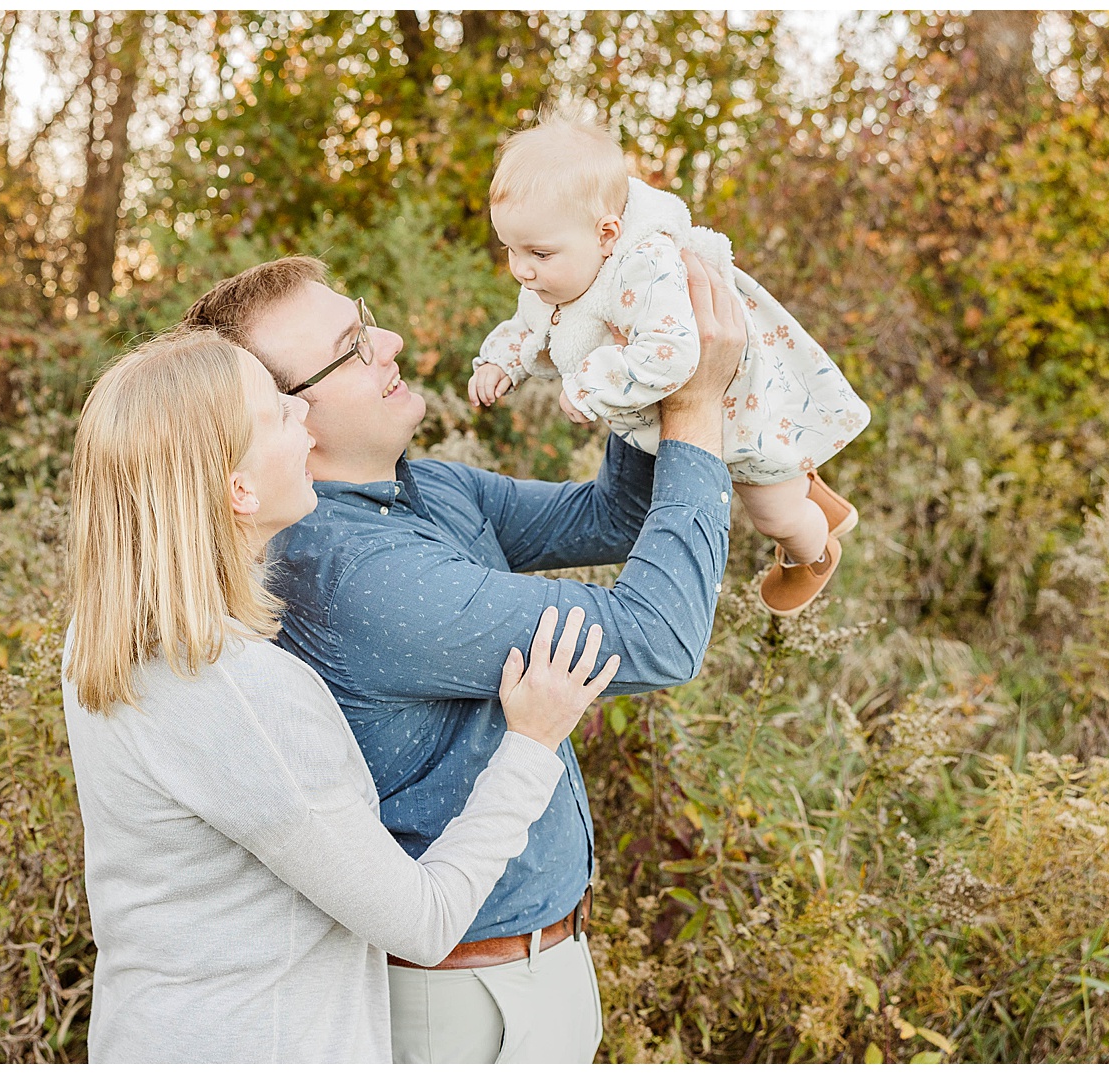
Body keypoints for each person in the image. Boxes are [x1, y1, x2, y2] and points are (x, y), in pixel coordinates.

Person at [180, 247, 746, 1062]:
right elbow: (658, 637)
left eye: (367, 321)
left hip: (535, 967)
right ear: (283, 416)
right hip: (463, 1005)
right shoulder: (357, 575)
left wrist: (636, 356)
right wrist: (696, 408)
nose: (393, 343)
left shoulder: (421, 488)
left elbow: (613, 516)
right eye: (351, 345)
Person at [60, 328, 622, 1062]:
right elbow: (424, 920)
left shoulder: (106, 635)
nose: (306, 419)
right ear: (239, 488)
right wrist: (531, 743)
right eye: (279, 413)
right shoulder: (248, 694)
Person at [468, 112, 871, 617]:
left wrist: (592, 383)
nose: (522, 269)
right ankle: (803, 485)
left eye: (538, 253)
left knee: (773, 511)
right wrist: (504, 361)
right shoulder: (562, 265)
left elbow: (672, 353)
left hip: (738, 411)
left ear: (607, 233)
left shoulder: (645, 267)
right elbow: (535, 323)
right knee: (766, 484)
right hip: (709, 414)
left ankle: (814, 550)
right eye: (510, 249)